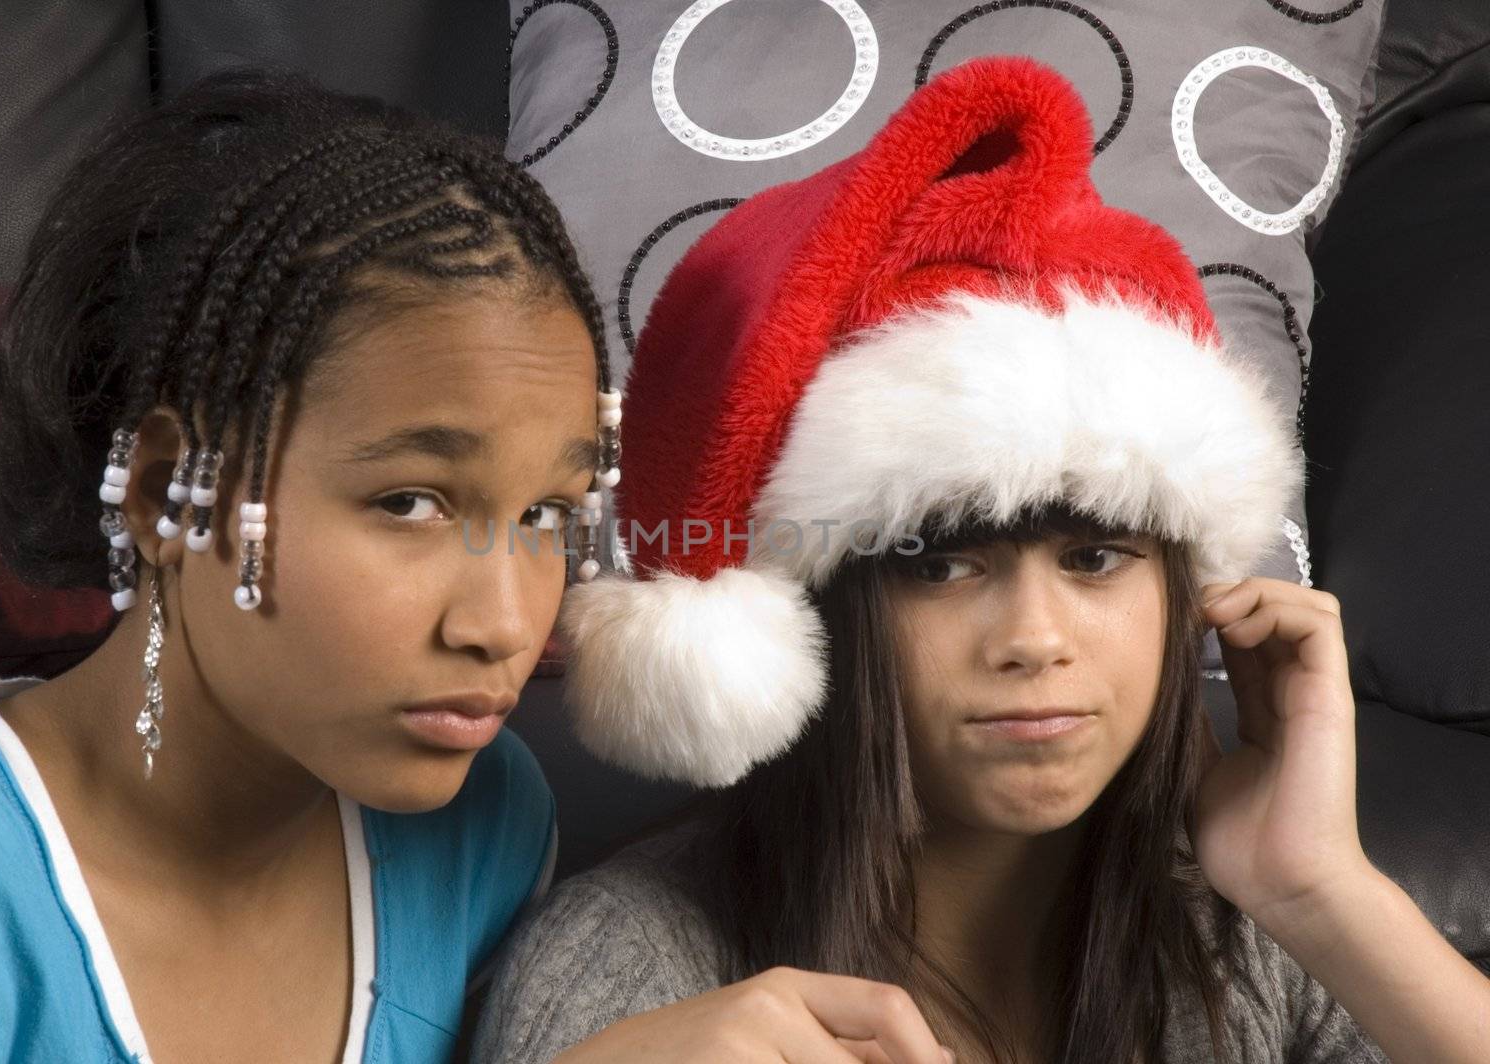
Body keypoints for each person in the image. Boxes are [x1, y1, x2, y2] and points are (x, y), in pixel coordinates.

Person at [472, 58, 1489, 1063]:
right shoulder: (636, 969)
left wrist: (1320, 890)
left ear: (1190, 597)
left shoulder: (1260, 938)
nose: (1035, 639)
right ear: (808, 616)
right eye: (938, 565)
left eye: (1094, 556)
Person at [0, 69, 622, 1064]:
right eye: (409, 501)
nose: (500, 623)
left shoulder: (483, 827)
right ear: (161, 491)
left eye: (545, 513)